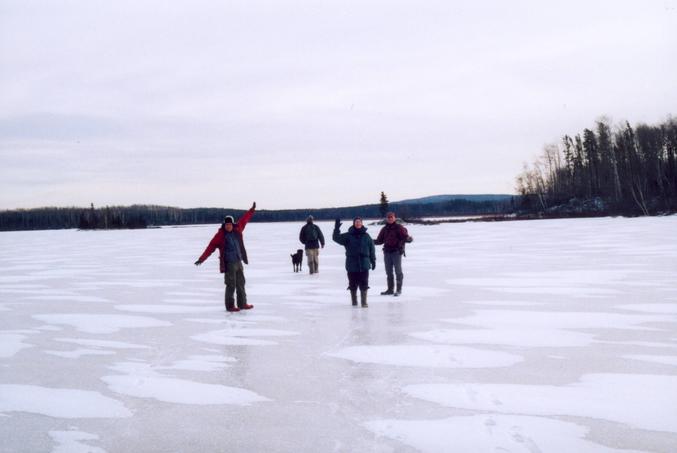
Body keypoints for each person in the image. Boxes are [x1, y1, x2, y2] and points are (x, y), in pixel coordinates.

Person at [194, 202, 256, 312]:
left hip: (238, 262)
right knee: (231, 285)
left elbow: (244, 219)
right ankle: (230, 306)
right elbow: (210, 247)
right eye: (226, 225)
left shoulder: (238, 229)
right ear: (224, 225)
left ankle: (242, 304)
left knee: (241, 283)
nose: (228, 226)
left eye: (230, 224)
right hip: (229, 264)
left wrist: (252, 210)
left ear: (233, 224)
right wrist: (201, 259)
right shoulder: (220, 235)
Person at [332, 216, 376, 307]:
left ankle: (364, 302)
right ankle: (354, 301)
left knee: (364, 283)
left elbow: (372, 249)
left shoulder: (367, 236)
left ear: (362, 223)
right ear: (354, 223)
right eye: (356, 222)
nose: (358, 223)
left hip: (364, 263)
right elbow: (336, 238)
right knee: (352, 283)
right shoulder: (348, 236)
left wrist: (373, 260)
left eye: (359, 222)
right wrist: (336, 228)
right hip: (352, 264)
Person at [374, 211, 412, 297]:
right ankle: (390, 289)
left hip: (396, 252)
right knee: (388, 272)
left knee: (398, 271)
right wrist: (369, 241)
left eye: (391, 217)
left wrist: (409, 239)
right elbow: (379, 241)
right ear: (386, 219)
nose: (390, 218)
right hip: (387, 252)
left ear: (394, 218)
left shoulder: (399, 227)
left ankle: (398, 290)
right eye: (388, 217)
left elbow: (405, 237)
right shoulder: (384, 229)